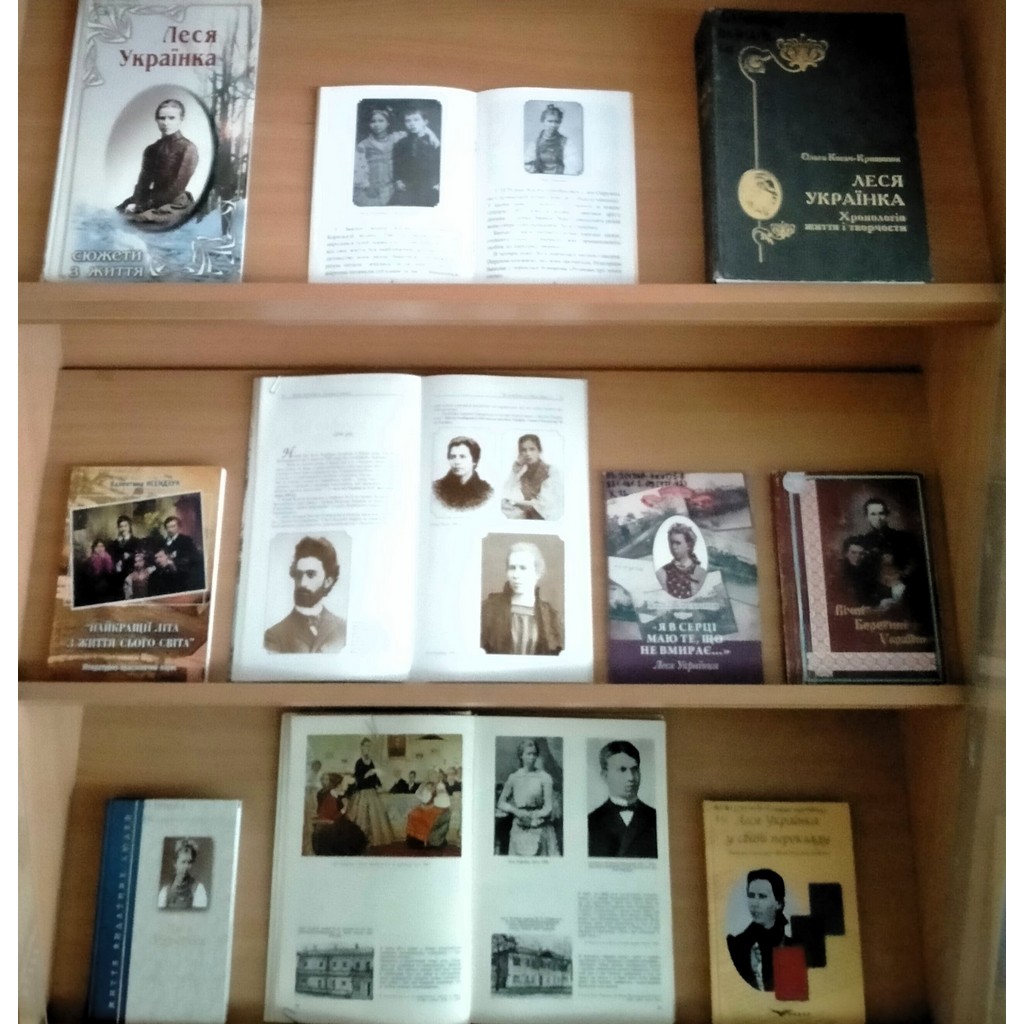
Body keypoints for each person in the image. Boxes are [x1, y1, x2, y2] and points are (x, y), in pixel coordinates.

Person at [116, 99, 199, 227]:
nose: (166, 123)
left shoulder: (188, 148)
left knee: (139, 219)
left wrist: (144, 206)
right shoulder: (151, 149)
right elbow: (143, 182)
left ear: (181, 119)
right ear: (156, 120)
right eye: (162, 118)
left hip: (174, 203)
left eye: (172, 118)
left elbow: (177, 187)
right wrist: (137, 202)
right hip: (149, 198)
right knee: (115, 215)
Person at [264, 536, 347, 653]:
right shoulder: (274, 635)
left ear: (328, 582)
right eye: (299, 575)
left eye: (311, 575)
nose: (302, 583)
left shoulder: (343, 629)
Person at [480, 541, 563, 655]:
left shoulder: (550, 616)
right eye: (512, 568)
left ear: (537, 573)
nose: (516, 575)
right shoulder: (489, 610)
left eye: (523, 568)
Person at [587, 740, 657, 858]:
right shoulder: (591, 822)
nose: (631, 777)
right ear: (605, 776)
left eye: (635, 769)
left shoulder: (655, 818)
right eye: (622, 770)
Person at [726, 868, 789, 991]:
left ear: (779, 904)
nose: (754, 903)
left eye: (762, 896)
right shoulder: (736, 945)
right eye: (751, 896)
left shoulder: (792, 945)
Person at [496, 738, 559, 856]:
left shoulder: (545, 777)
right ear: (521, 756)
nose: (532, 757)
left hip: (540, 825)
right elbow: (501, 803)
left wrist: (532, 817)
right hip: (519, 826)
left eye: (534, 754)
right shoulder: (514, 777)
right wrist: (517, 812)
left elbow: (548, 807)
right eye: (528, 754)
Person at [345, 738, 397, 847]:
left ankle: (373, 840)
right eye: (366, 746)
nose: (367, 748)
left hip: (372, 792)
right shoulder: (359, 762)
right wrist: (366, 775)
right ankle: (361, 840)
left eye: (369, 746)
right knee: (362, 817)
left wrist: (379, 785)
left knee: (376, 817)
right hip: (363, 792)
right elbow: (358, 780)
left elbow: (375, 777)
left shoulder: (371, 761)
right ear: (362, 747)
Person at [501, 434, 563, 520]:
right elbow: (505, 493)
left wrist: (514, 502)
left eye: (532, 449)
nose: (528, 454)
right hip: (527, 516)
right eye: (523, 450)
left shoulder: (551, 471)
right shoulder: (522, 472)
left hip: (545, 517)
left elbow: (544, 505)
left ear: (539, 451)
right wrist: (515, 471)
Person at [353, 106, 406, 206]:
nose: (377, 124)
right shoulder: (364, 145)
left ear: (388, 123)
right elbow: (358, 168)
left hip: (393, 187)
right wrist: (366, 185)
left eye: (381, 121)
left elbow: (418, 133)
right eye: (373, 121)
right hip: (372, 188)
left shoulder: (396, 138)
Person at [389, 105, 441, 206]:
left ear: (425, 122)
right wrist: (398, 180)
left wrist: (437, 183)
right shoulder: (401, 143)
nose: (412, 124)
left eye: (416, 120)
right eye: (408, 121)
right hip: (407, 185)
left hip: (429, 185)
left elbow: (438, 163)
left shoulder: (433, 142)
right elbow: (396, 164)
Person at [432, 435, 493, 510]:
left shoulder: (486, 492)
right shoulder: (436, 489)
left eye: (462, 457)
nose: (457, 462)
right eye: (453, 457)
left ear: (474, 460)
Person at [524, 103, 581, 175]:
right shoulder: (535, 143)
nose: (553, 125)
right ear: (543, 122)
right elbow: (528, 164)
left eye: (556, 122)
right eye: (550, 121)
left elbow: (573, 166)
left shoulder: (567, 143)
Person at [655, 521, 707, 599]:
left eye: (678, 543)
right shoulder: (663, 572)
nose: (673, 547)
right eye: (671, 543)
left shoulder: (701, 573)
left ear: (689, 545)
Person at [158, 838, 208, 909]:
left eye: (189, 862)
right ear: (175, 863)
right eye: (183, 862)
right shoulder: (165, 891)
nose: (186, 866)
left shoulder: (198, 889)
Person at [161, 516, 202, 590]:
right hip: (167, 576)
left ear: (178, 527)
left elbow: (192, 557)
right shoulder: (163, 542)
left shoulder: (186, 540)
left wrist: (174, 562)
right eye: (168, 527)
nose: (170, 530)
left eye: (173, 526)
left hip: (182, 574)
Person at [108, 515, 141, 585]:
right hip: (118, 576)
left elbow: (140, 557)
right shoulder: (114, 543)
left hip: (132, 574)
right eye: (121, 526)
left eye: (125, 526)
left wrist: (130, 556)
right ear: (118, 528)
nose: (123, 529)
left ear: (129, 527)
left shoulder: (136, 541)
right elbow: (111, 558)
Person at [82, 539, 116, 604]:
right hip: (93, 589)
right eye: (97, 546)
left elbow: (112, 574)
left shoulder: (109, 558)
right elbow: (87, 576)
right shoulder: (90, 560)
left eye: (102, 546)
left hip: (107, 589)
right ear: (94, 548)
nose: (100, 548)